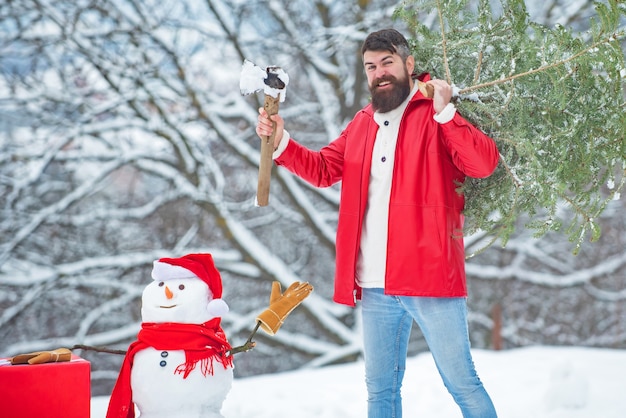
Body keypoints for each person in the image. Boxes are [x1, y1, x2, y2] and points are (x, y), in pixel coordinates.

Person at [256, 28, 498, 418]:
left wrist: (447, 112)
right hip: (374, 285)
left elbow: (483, 164)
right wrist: (282, 142)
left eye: (387, 62)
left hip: (430, 277)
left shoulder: (434, 112)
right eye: (371, 66)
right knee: (380, 392)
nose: (379, 73)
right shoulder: (362, 123)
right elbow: (322, 169)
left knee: (462, 383)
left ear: (409, 64)